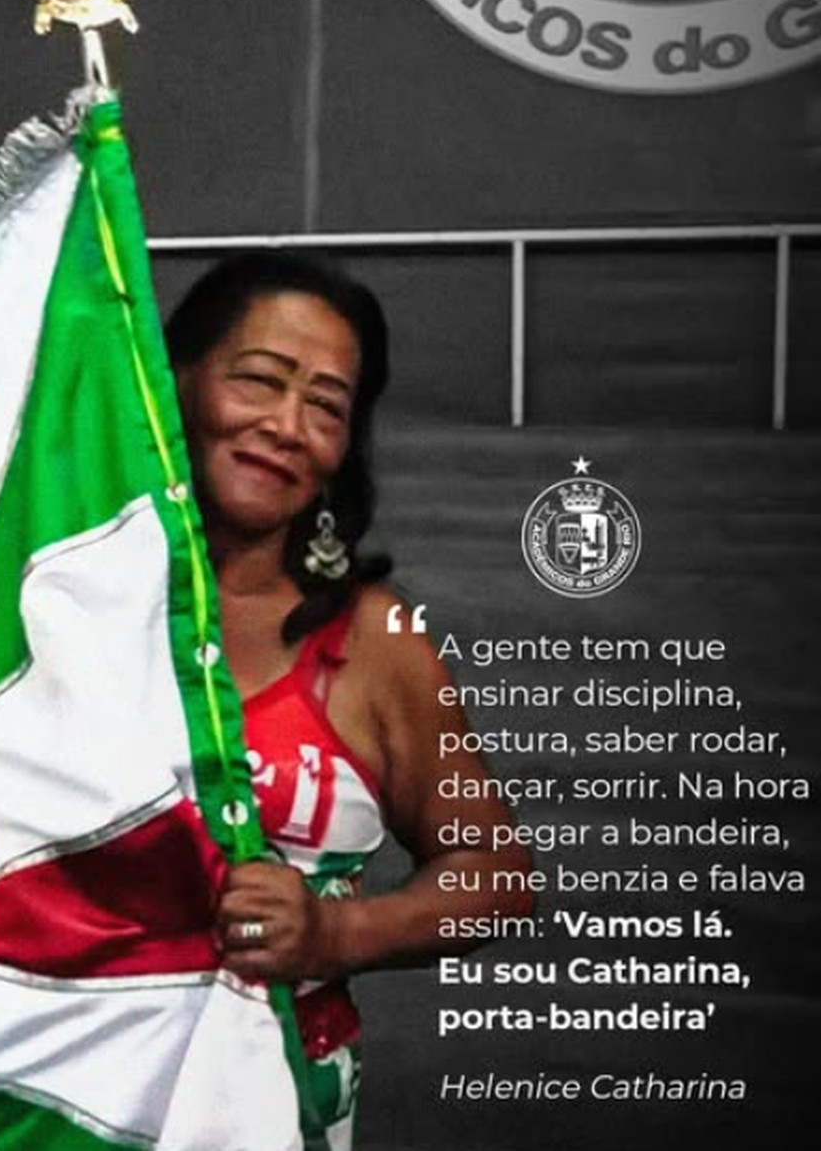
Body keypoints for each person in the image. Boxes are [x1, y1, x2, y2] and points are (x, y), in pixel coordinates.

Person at [165, 251, 530, 1149]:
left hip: (275, 1111)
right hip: (41, 1100)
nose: (287, 426)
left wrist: (332, 934)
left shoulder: (372, 640)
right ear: (174, 381)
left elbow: (494, 874)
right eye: (259, 380)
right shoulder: (59, 598)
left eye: (325, 407)